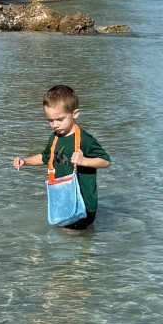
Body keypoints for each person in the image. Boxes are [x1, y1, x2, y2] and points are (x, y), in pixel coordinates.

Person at [12, 82, 110, 231]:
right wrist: (25, 161)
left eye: (60, 119)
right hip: (63, 201)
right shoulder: (55, 138)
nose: (55, 125)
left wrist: (84, 161)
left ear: (75, 114)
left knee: (70, 236)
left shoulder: (85, 140)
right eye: (50, 120)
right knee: (62, 234)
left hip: (84, 204)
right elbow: (45, 158)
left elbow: (105, 161)